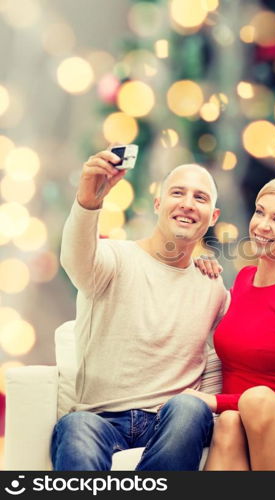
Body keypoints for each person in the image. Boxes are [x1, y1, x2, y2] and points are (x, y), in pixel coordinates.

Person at [51, 149, 229, 470]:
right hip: (99, 419)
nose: (188, 203)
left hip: (171, 421)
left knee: (191, 409)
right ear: (158, 204)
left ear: (212, 217)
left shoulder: (213, 286)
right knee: (76, 428)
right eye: (178, 193)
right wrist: (89, 201)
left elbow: (221, 359)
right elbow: (75, 259)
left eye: (200, 197)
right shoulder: (113, 259)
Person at [188, 177, 275, 471]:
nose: (262, 225)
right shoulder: (243, 279)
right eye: (260, 212)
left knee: (254, 401)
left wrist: (215, 402)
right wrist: (195, 266)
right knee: (229, 423)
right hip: (233, 417)